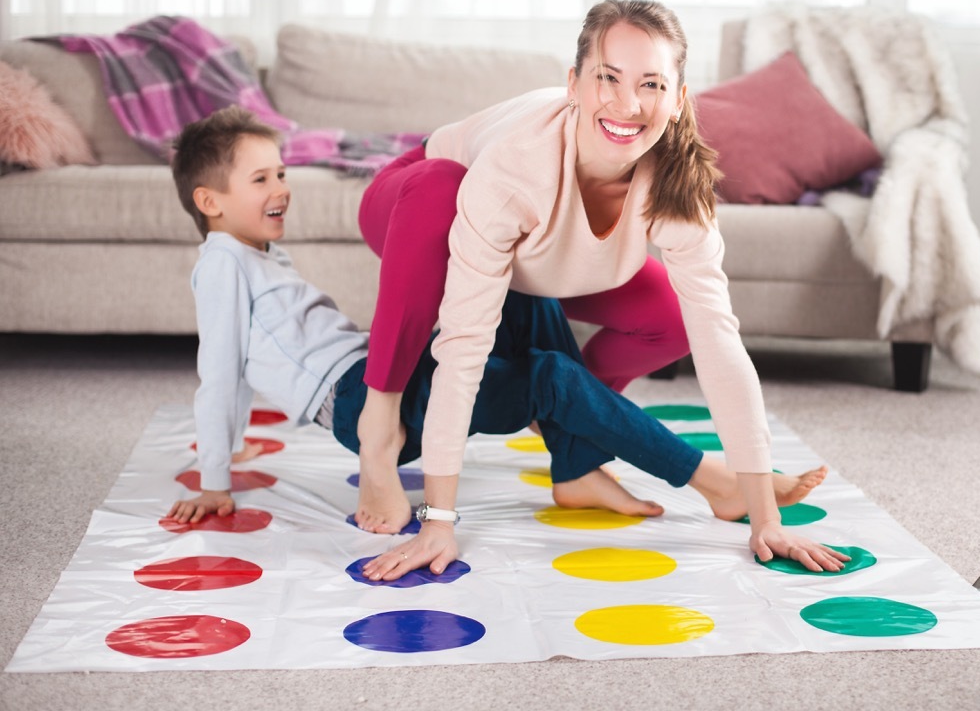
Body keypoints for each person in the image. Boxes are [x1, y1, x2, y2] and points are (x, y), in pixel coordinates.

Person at [355, 0, 851, 582]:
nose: (627, 103)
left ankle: (574, 449)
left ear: (678, 99)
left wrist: (764, 517)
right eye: (607, 78)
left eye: (651, 84)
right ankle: (379, 427)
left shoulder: (676, 181)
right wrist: (439, 520)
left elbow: (718, 339)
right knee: (441, 188)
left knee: (670, 315)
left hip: (541, 258)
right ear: (573, 84)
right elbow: (463, 347)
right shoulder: (516, 169)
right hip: (418, 205)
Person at [166, 106, 829, 533]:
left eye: (280, 172)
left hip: (369, 374)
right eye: (260, 181)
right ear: (209, 202)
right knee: (547, 377)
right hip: (359, 407)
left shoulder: (257, 258)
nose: (281, 188)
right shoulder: (223, 264)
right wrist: (216, 479)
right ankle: (712, 481)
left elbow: (260, 361)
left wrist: (234, 442)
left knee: (516, 278)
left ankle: (575, 468)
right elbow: (219, 371)